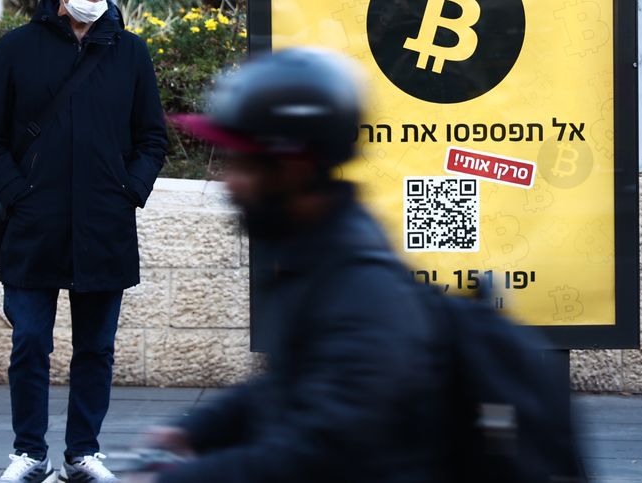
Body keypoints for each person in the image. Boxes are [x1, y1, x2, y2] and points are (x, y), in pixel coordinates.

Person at [129, 48, 444, 483]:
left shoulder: (363, 290)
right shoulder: (319, 256)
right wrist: (191, 431)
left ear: (293, 167)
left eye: (243, 163)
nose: (230, 182)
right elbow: (292, 387)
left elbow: (316, 455)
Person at [0, 0, 168, 483]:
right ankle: (29, 454)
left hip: (105, 228)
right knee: (29, 343)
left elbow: (152, 139)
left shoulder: (130, 52)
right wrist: (19, 195)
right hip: (32, 229)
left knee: (96, 350)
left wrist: (128, 191)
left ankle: (83, 454)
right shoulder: (15, 49)